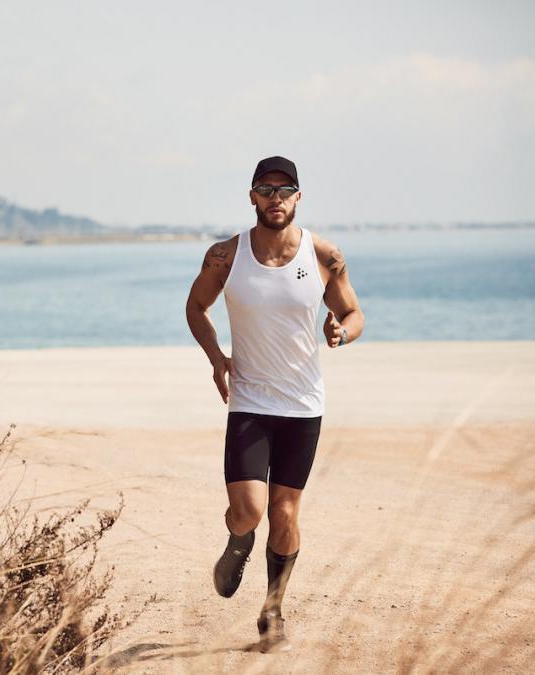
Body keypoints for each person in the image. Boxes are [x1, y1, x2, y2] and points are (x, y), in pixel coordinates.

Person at [185, 156, 365, 653]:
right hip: (248, 399)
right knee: (248, 510)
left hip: (303, 405)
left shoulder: (324, 255)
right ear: (252, 197)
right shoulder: (226, 255)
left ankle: (272, 609)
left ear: (298, 197)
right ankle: (239, 540)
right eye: (266, 189)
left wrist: (341, 333)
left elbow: (352, 313)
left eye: (285, 191)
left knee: (284, 515)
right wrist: (217, 358)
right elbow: (195, 307)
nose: (276, 199)